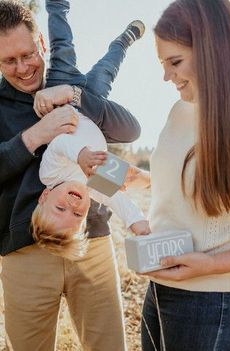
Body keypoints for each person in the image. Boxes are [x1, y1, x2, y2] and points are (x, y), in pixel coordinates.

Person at [0, 1, 144, 350]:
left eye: (28, 54)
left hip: (90, 243)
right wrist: (36, 135)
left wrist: (75, 96)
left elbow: (128, 131)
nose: (22, 69)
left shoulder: (69, 83)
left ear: (42, 46)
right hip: (24, 252)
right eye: (8, 60)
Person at [127, 1, 230, 350]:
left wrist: (210, 263)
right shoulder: (179, 110)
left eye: (175, 62)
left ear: (212, 49)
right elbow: (202, 185)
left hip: (211, 301)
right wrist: (140, 177)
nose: (166, 76)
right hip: (160, 291)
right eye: (162, 64)